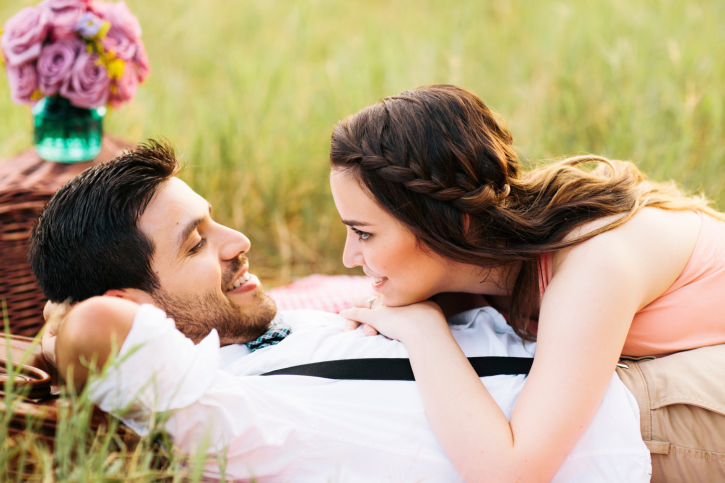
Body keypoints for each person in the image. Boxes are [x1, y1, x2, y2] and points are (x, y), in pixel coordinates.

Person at [29, 140, 651, 481]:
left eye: (215, 221)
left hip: (596, 354)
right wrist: (57, 332)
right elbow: (94, 330)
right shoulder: (213, 410)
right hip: (644, 429)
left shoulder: (253, 331)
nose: (238, 241)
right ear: (133, 307)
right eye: (197, 242)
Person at [330, 84, 725, 482]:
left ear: (447, 223)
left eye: (364, 233)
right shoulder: (481, 263)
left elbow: (512, 472)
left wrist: (423, 330)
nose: (349, 258)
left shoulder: (592, 263)